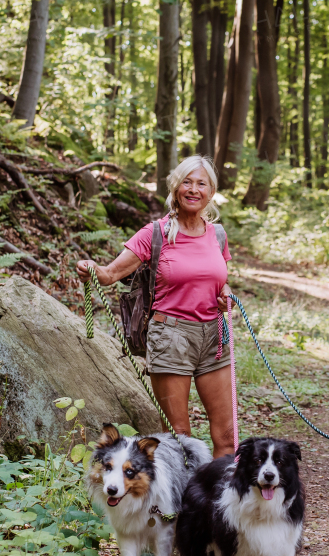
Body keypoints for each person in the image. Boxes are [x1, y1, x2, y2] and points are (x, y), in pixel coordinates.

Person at [76, 156, 236, 457]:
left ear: (210, 191)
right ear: (176, 187)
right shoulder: (156, 233)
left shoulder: (218, 235)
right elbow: (110, 274)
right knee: (179, 440)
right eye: (187, 182)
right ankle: (182, 502)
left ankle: (219, 503)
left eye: (201, 183)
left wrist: (225, 293)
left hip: (215, 336)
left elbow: (220, 280)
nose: (193, 189)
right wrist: (90, 268)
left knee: (227, 436)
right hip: (171, 337)